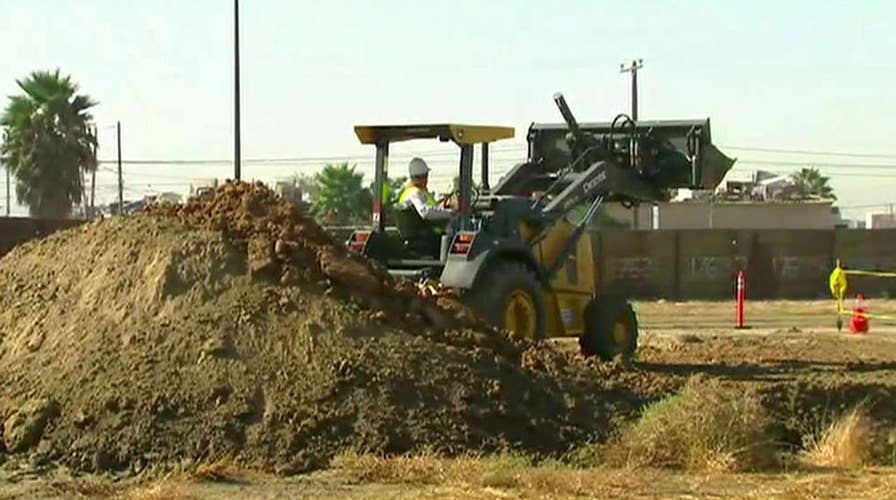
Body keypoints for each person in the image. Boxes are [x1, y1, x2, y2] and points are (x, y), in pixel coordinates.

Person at [396, 157, 454, 256]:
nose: (427, 179)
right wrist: (449, 213)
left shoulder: (413, 192)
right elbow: (425, 212)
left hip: (423, 237)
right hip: (431, 238)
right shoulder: (415, 193)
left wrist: (442, 206)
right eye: (426, 176)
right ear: (421, 177)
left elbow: (429, 207)